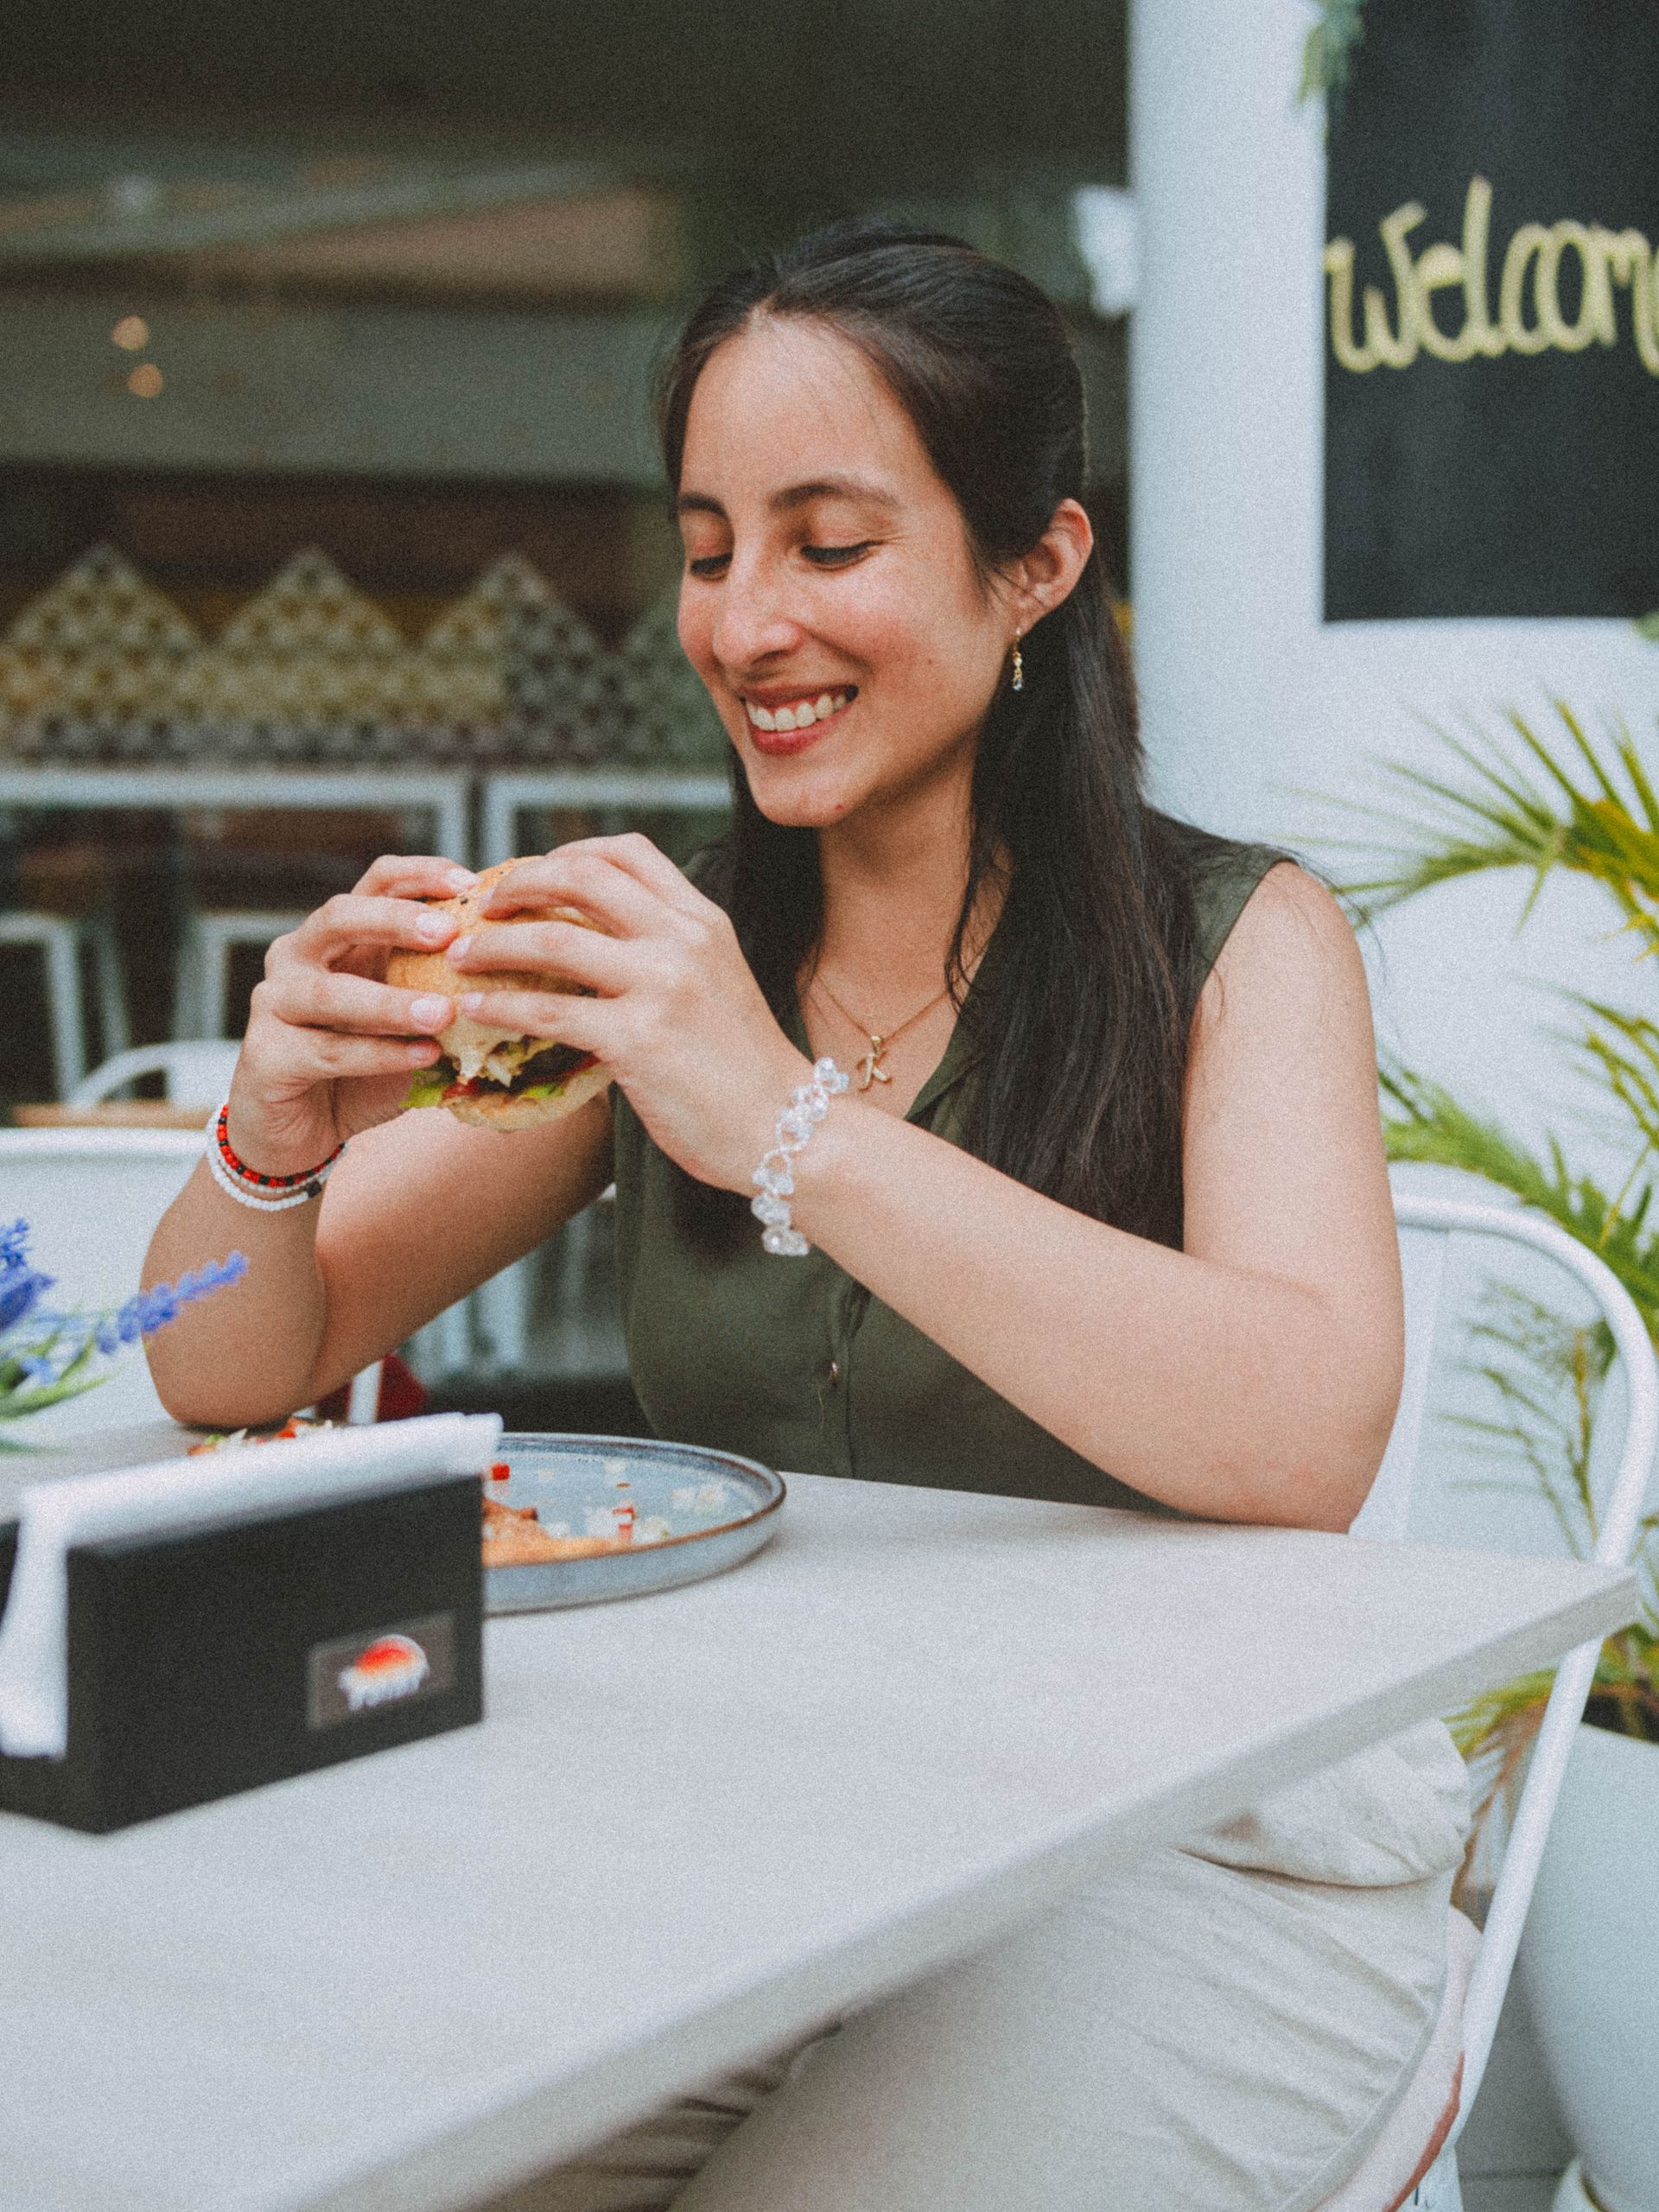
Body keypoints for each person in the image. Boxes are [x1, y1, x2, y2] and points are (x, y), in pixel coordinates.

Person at [144, 223, 1470, 2212]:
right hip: (770, 1838)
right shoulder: (658, 955)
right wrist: (270, 1131)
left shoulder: (1237, 943)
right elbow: (243, 1354)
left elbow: (1305, 1434)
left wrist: (777, 1114)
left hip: (1198, 1843)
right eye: (705, 549)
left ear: (1038, 564)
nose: (745, 621)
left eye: (828, 545)